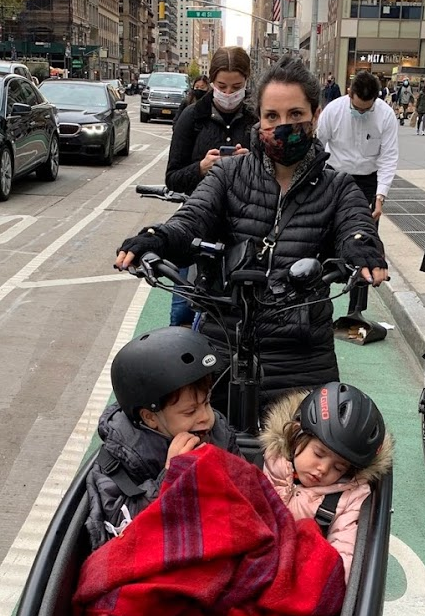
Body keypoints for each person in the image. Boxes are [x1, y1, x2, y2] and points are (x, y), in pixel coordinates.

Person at [115, 56, 388, 403]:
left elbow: (356, 225)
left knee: (322, 450)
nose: (283, 126)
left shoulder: (339, 187)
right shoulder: (229, 175)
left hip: (302, 356)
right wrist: (157, 238)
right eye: (272, 117)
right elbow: (191, 219)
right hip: (224, 344)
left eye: (295, 115)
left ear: (315, 115)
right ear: (259, 119)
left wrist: (362, 247)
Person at [85, 326, 240, 549]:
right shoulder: (119, 460)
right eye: (190, 412)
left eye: (207, 403)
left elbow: (244, 486)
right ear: (150, 417)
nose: (206, 417)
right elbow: (124, 532)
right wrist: (170, 476)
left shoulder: (217, 432)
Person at [260, 381, 392, 581]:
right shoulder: (268, 463)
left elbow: (345, 549)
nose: (323, 469)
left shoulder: (348, 497)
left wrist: (328, 582)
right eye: (318, 453)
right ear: (297, 434)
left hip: (299, 575)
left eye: (338, 467)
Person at [164, 46, 257, 325]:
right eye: (222, 86)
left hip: (245, 225)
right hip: (198, 223)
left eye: (236, 87)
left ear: (247, 83)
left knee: (240, 306)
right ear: (212, 81)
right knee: (183, 307)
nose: (229, 94)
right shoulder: (192, 117)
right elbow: (172, 177)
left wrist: (253, 162)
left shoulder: (258, 118)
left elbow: (278, 173)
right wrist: (201, 168)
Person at [314, 68, 398, 341]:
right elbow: (318, 146)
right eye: (358, 108)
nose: (362, 113)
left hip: (368, 182)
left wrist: (381, 196)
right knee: (322, 238)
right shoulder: (334, 111)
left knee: (365, 244)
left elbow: (388, 157)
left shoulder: (385, 115)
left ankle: (356, 311)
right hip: (333, 176)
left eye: (367, 109)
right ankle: (317, 304)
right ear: (349, 94)